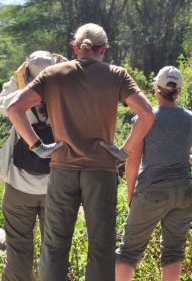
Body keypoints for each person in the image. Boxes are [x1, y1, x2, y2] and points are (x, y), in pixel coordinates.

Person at [6, 23, 155, 281]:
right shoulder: (117, 75)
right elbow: (147, 114)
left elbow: (14, 108)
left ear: (75, 48)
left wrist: (39, 147)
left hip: (62, 169)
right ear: (104, 50)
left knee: (54, 246)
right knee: (101, 246)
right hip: (101, 171)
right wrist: (125, 150)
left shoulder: (53, 74)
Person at [114, 66, 192, 281]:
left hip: (152, 191)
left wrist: (130, 193)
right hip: (184, 192)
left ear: (156, 89)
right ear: (179, 91)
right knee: (173, 253)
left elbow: (133, 161)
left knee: (128, 252)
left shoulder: (146, 118)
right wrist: (181, 161)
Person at [0, 51, 64, 281]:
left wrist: (20, 75)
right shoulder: (65, 95)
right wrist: (64, 69)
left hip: (19, 188)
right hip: (55, 189)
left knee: (18, 249)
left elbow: (2, 102)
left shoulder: (17, 100)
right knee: (54, 248)